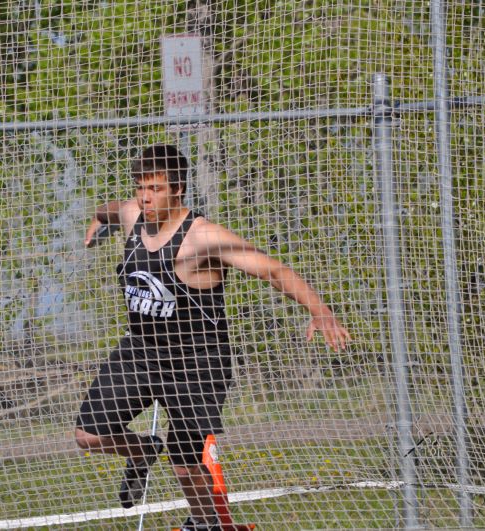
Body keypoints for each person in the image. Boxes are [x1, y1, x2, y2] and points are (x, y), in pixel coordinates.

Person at [74, 145, 351, 531]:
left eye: (154, 188)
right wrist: (96, 220)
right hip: (141, 351)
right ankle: (142, 450)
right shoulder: (132, 214)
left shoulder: (203, 238)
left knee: (185, 463)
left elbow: (272, 270)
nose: (144, 196)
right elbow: (111, 208)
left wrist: (319, 311)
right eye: (140, 187)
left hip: (197, 361)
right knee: (88, 435)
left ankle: (206, 525)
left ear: (178, 189)